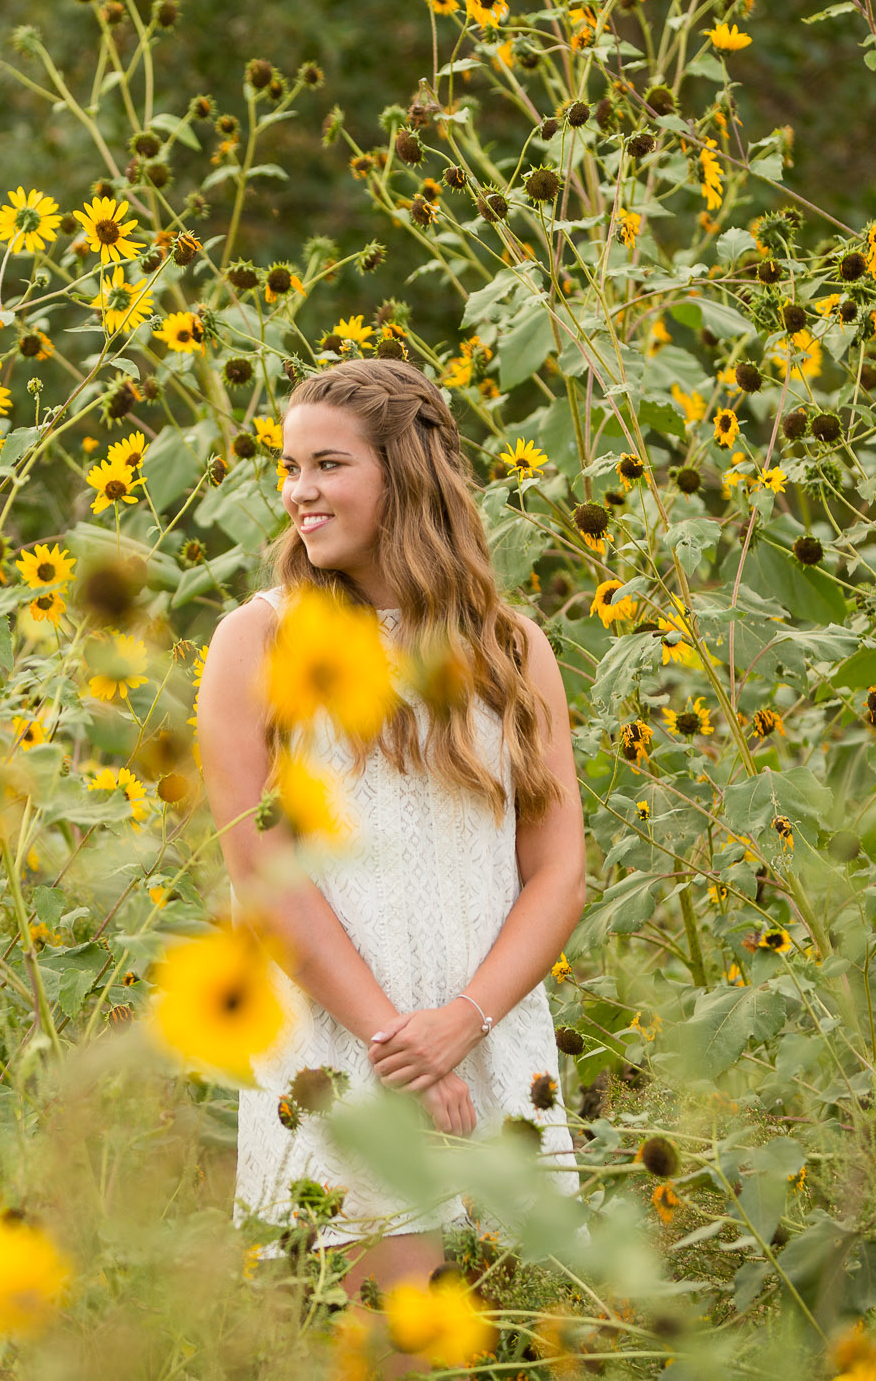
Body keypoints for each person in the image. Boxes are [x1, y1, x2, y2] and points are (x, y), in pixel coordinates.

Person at [193, 356, 586, 1304]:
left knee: (525, 1348)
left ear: (405, 471)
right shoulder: (261, 639)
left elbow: (558, 873)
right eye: (289, 468)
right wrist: (398, 1047)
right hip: (345, 1056)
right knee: (397, 1344)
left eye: (327, 465)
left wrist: (461, 1024)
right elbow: (264, 871)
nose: (299, 492)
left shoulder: (511, 648)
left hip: (491, 1045)